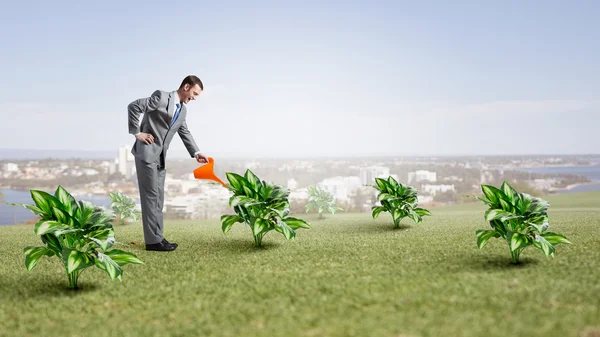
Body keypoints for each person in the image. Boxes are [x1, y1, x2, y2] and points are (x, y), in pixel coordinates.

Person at [127, 75, 208, 251]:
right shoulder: (162, 97)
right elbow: (134, 106)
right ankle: (152, 242)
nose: (194, 98)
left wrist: (196, 152)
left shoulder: (183, 110)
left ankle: (158, 237)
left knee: (158, 199)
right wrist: (137, 133)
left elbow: (184, 132)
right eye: (194, 93)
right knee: (150, 197)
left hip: (161, 157)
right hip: (146, 153)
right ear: (186, 86)